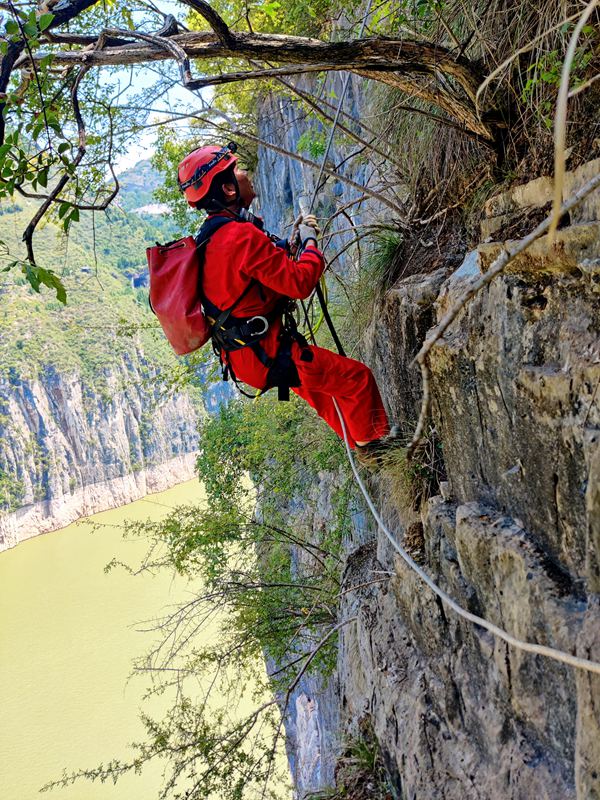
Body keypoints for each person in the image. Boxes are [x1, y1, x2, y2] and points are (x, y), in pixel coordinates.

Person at [177, 142, 396, 465]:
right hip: (266, 353)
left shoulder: (214, 237)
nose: (245, 173)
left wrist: (291, 244)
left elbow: (260, 272)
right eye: (237, 171)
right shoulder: (239, 237)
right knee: (356, 380)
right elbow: (299, 283)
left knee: (327, 395)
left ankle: (367, 448)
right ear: (227, 188)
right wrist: (309, 243)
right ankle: (380, 452)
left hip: (250, 355)